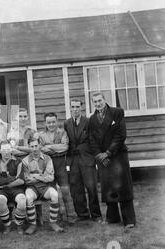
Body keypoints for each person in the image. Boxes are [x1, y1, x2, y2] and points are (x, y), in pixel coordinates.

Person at [88, 92, 136, 230]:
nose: (98, 103)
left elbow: (121, 135)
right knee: (108, 187)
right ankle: (112, 218)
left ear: (105, 100)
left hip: (117, 155)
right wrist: (99, 155)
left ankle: (129, 220)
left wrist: (108, 153)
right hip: (103, 159)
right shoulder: (92, 119)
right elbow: (92, 140)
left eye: (99, 100)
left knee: (124, 187)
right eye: (95, 102)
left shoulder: (117, 112)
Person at [64, 99, 102, 221]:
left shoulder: (88, 121)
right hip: (73, 160)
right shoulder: (67, 123)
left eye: (77, 107)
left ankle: (96, 215)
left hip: (87, 159)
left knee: (91, 187)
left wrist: (94, 157)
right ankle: (82, 214)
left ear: (81, 108)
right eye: (72, 107)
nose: (75, 109)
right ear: (70, 108)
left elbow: (93, 140)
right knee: (76, 188)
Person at [39, 112, 78, 224]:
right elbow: (41, 149)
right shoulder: (41, 135)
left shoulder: (62, 133)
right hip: (47, 165)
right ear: (45, 123)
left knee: (65, 191)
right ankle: (58, 218)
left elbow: (65, 147)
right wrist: (55, 148)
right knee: (54, 193)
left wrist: (49, 147)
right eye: (49, 122)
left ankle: (71, 217)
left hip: (60, 163)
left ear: (57, 121)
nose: (51, 124)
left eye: (53, 122)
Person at [22, 137, 64, 233]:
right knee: (28, 197)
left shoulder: (47, 159)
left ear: (40, 145)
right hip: (32, 187)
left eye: (36, 146)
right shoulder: (25, 161)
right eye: (32, 146)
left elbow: (50, 178)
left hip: (45, 187)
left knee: (54, 194)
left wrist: (36, 176)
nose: (35, 148)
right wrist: (42, 175)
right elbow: (26, 180)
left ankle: (53, 223)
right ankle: (32, 224)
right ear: (29, 147)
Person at [0, 141, 26, 234]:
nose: (6, 152)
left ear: (11, 150)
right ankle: (7, 225)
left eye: (8, 149)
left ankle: (19, 225)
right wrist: (13, 178)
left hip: (16, 189)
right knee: (0, 199)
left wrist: (6, 182)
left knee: (22, 200)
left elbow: (21, 180)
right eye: (4, 150)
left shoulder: (18, 161)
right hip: (2, 190)